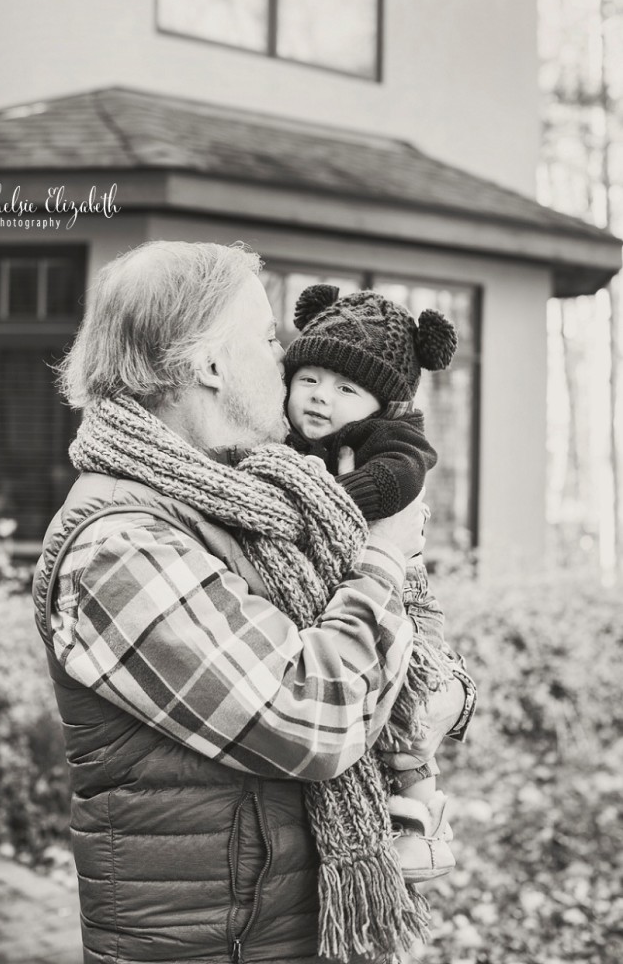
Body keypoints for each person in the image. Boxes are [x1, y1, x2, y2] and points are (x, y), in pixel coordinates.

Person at [32, 241, 444, 964]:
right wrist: (382, 553)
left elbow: (390, 672)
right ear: (211, 366)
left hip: (279, 929)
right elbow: (313, 717)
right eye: (264, 337)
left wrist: (434, 698)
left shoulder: (246, 500)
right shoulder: (120, 545)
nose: (283, 357)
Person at [284, 284, 477, 883]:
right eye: (310, 378)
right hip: (359, 591)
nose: (321, 397)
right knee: (372, 721)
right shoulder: (287, 442)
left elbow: (398, 480)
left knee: (408, 719)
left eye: (347, 389)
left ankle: (426, 822)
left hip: (407, 599)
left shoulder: (395, 439)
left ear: (380, 403)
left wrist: (332, 500)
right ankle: (397, 820)